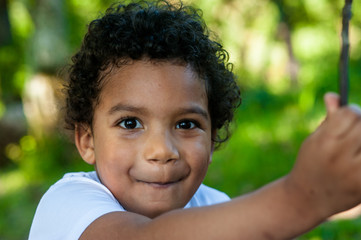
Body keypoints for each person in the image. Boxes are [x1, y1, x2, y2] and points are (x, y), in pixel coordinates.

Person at [29, 0, 361, 239]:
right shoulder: (68, 205)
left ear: (213, 137)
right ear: (87, 140)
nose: (161, 150)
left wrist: (334, 177)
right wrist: (304, 196)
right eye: (130, 123)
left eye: (186, 124)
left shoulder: (214, 204)